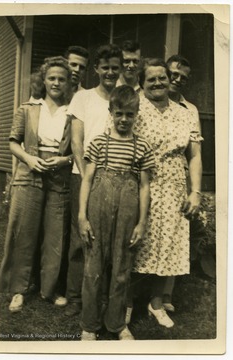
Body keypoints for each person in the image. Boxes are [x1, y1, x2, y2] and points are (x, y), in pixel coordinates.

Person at [78, 85, 155, 340]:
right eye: (119, 113)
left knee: (122, 268)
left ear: (137, 114)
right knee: (94, 265)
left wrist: (141, 222)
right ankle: (89, 325)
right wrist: (82, 216)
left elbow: (144, 187)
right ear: (111, 112)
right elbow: (87, 180)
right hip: (98, 206)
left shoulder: (142, 146)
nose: (124, 119)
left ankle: (117, 324)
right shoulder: (99, 142)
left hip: (127, 210)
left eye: (129, 115)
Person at [132, 58, 203, 328]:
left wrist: (195, 191)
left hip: (174, 186)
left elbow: (195, 155)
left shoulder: (184, 113)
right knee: (135, 241)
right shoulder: (133, 106)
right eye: (151, 79)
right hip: (140, 183)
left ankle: (157, 302)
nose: (158, 82)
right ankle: (125, 304)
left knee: (169, 244)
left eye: (162, 77)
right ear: (142, 82)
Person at [0, 56, 73, 312]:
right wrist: (29, 159)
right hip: (29, 173)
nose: (56, 83)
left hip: (58, 176)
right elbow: (12, 141)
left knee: (54, 236)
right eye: (51, 78)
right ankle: (18, 290)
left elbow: (78, 149)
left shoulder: (72, 112)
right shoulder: (28, 108)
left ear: (68, 83)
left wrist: (65, 160)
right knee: (24, 233)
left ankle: (49, 290)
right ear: (43, 80)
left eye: (61, 79)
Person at [64, 44, 123, 317]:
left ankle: (101, 296)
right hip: (84, 175)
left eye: (115, 67)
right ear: (97, 69)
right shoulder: (83, 98)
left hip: (115, 179)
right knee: (82, 237)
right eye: (105, 67)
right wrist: (87, 172)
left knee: (107, 238)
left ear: (120, 69)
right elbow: (77, 141)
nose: (110, 72)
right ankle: (75, 296)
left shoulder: (124, 98)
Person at [161, 54, 202, 312]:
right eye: (172, 74)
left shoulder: (190, 110)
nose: (176, 80)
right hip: (149, 177)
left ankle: (165, 295)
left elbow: (195, 154)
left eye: (182, 78)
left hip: (177, 179)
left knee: (174, 233)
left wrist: (195, 191)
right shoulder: (145, 100)